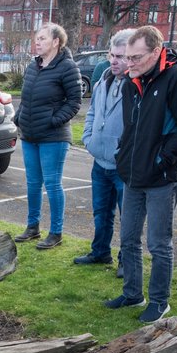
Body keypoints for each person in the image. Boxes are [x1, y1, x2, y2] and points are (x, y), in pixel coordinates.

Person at [104, 25, 177, 323]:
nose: (129, 63)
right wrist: (124, 156)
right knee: (129, 239)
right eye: (127, 57)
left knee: (159, 243)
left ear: (157, 50)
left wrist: (163, 158)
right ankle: (132, 292)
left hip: (160, 177)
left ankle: (160, 301)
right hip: (132, 175)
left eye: (136, 58)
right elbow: (130, 128)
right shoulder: (130, 83)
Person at [12, 23, 82, 249]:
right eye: (37, 38)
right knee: (33, 183)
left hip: (54, 137)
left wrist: (53, 120)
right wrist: (19, 116)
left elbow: (74, 103)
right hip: (30, 135)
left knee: (52, 184)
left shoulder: (68, 68)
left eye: (42, 38)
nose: (37, 41)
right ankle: (32, 227)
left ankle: (56, 232)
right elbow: (26, 97)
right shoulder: (34, 66)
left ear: (56, 42)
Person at [76, 28, 133, 268]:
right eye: (112, 54)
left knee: (128, 217)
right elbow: (91, 113)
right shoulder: (103, 80)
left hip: (123, 165)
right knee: (101, 212)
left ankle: (126, 261)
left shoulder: (137, 86)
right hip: (100, 162)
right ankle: (100, 252)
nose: (114, 60)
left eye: (120, 56)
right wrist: (89, 139)